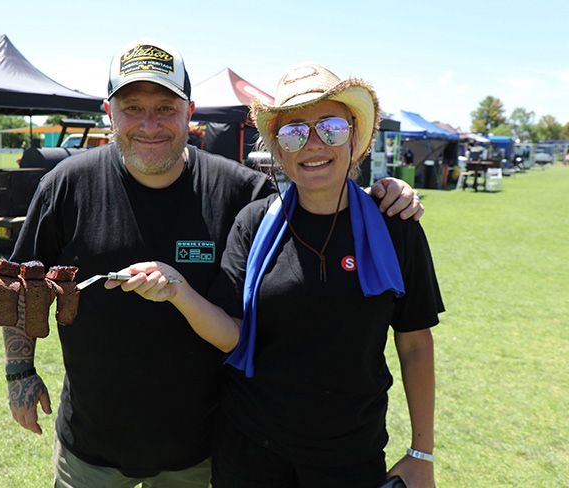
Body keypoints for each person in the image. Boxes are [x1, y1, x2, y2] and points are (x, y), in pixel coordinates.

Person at [4, 40, 424, 488]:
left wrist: (381, 194)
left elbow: (314, 202)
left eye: (166, 108)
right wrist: (19, 374)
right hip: (90, 446)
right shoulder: (66, 186)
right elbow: (21, 286)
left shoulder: (241, 192)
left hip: (199, 450)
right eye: (133, 108)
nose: (150, 124)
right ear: (110, 113)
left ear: (190, 112)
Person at [112, 64, 443, 488]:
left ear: (354, 136)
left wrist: (421, 453)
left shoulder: (394, 225)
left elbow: (415, 343)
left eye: (331, 127)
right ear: (279, 150)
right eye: (294, 132)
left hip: (349, 456)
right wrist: (178, 290)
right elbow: (233, 334)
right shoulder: (254, 222)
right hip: (250, 453)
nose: (313, 143)